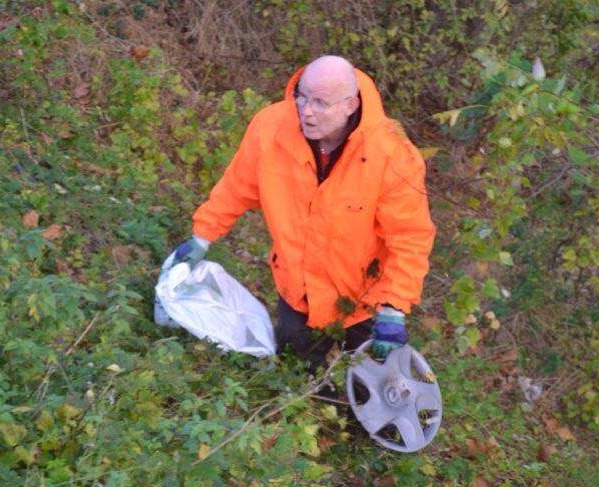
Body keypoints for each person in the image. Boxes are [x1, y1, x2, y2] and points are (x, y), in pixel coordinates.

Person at [172, 55, 435, 373]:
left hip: (364, 299)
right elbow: (236, 187)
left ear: (349, 106)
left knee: (370, 397)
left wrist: (394, 306)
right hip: (297, 291)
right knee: (295, 382)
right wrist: (202, 235)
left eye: (321, 103)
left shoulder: (391, 153)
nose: (307, 111)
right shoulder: (270, 129)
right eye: (302, 97)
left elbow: (409, 236)